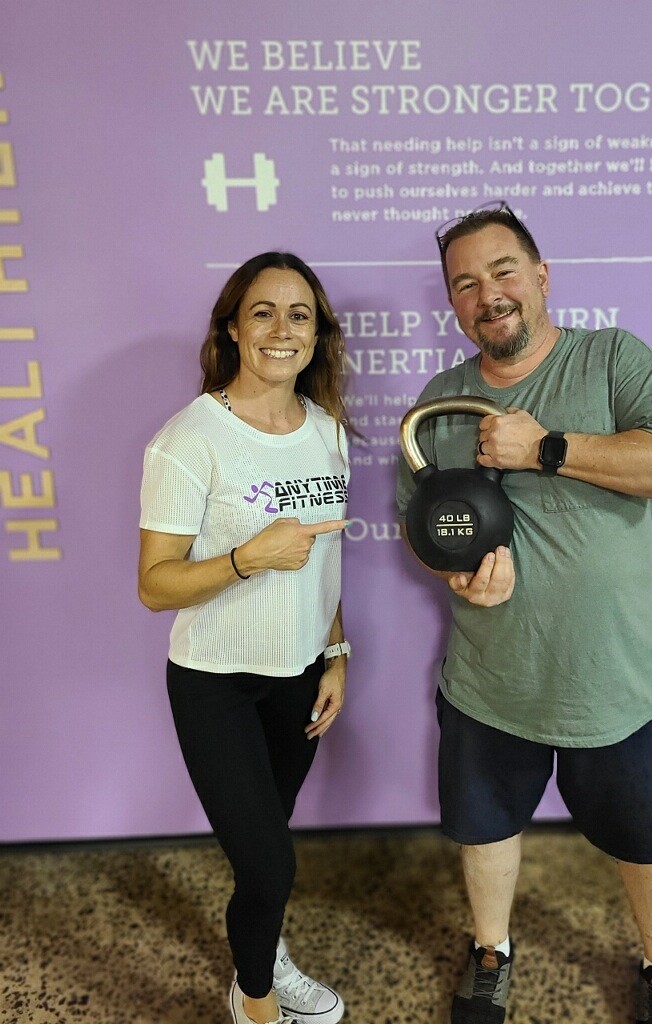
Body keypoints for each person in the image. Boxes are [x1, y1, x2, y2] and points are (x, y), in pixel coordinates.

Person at [396, 202, 652, 1024]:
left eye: (503, 271)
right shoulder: (439, 403)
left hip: (618, 682)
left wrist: (548, 448)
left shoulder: (610, 359)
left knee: (644, 839)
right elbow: (421, 529)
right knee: (485, 832)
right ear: (452, 302)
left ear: (541, 277)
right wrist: (456, 577)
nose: (488, 295)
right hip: (490, 683)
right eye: (465, 284)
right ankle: (491, 952)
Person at [139, 251, 350, 1024]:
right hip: (215, 683)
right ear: (233, 327)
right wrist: (246, 558)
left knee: (267, 851)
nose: (281, 329)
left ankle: (262, 952)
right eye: (263, 312)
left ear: (317, 333)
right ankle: (255, 997)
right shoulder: (188, 439)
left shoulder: (328, 430)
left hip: (299, 677)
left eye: (299, 315)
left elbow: (325, 560)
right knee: (269, 866)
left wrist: (336, 651)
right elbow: (154, 584)